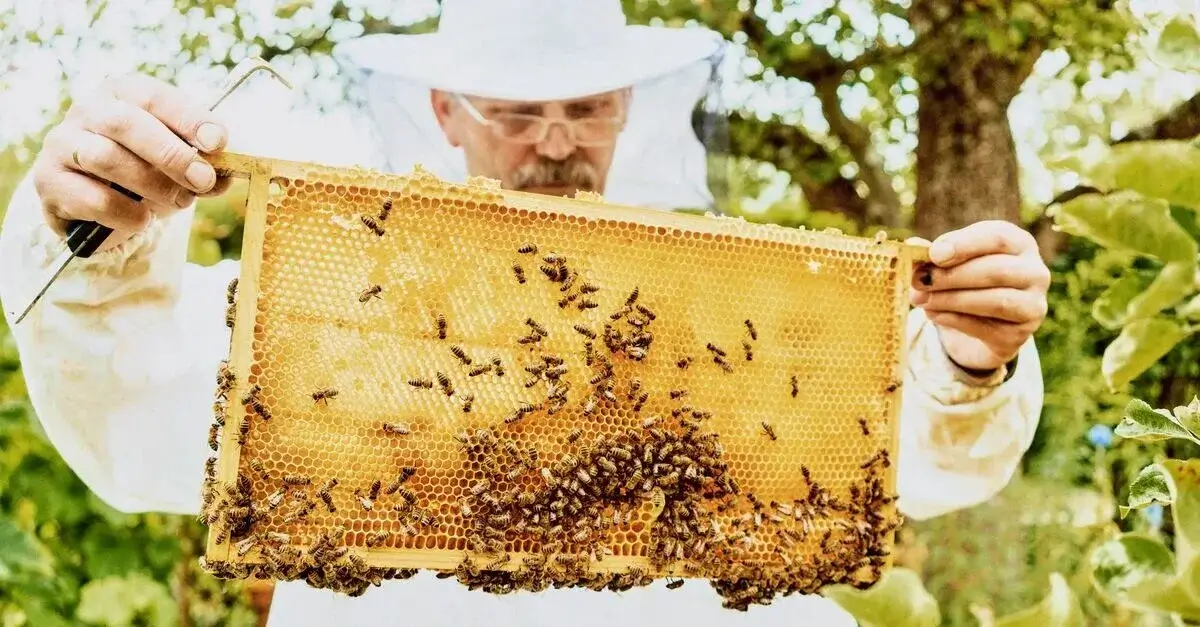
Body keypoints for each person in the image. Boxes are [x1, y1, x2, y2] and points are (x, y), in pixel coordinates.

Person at [0, 1, 1050, 625]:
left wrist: (967, 358)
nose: (555, 142)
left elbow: (899, 457)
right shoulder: (329, 305)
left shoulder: (719, 316)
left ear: (627, 111)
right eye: (514, 111)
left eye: (586, 107)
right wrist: (92, 235)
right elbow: (135, 420)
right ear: (448, 112)